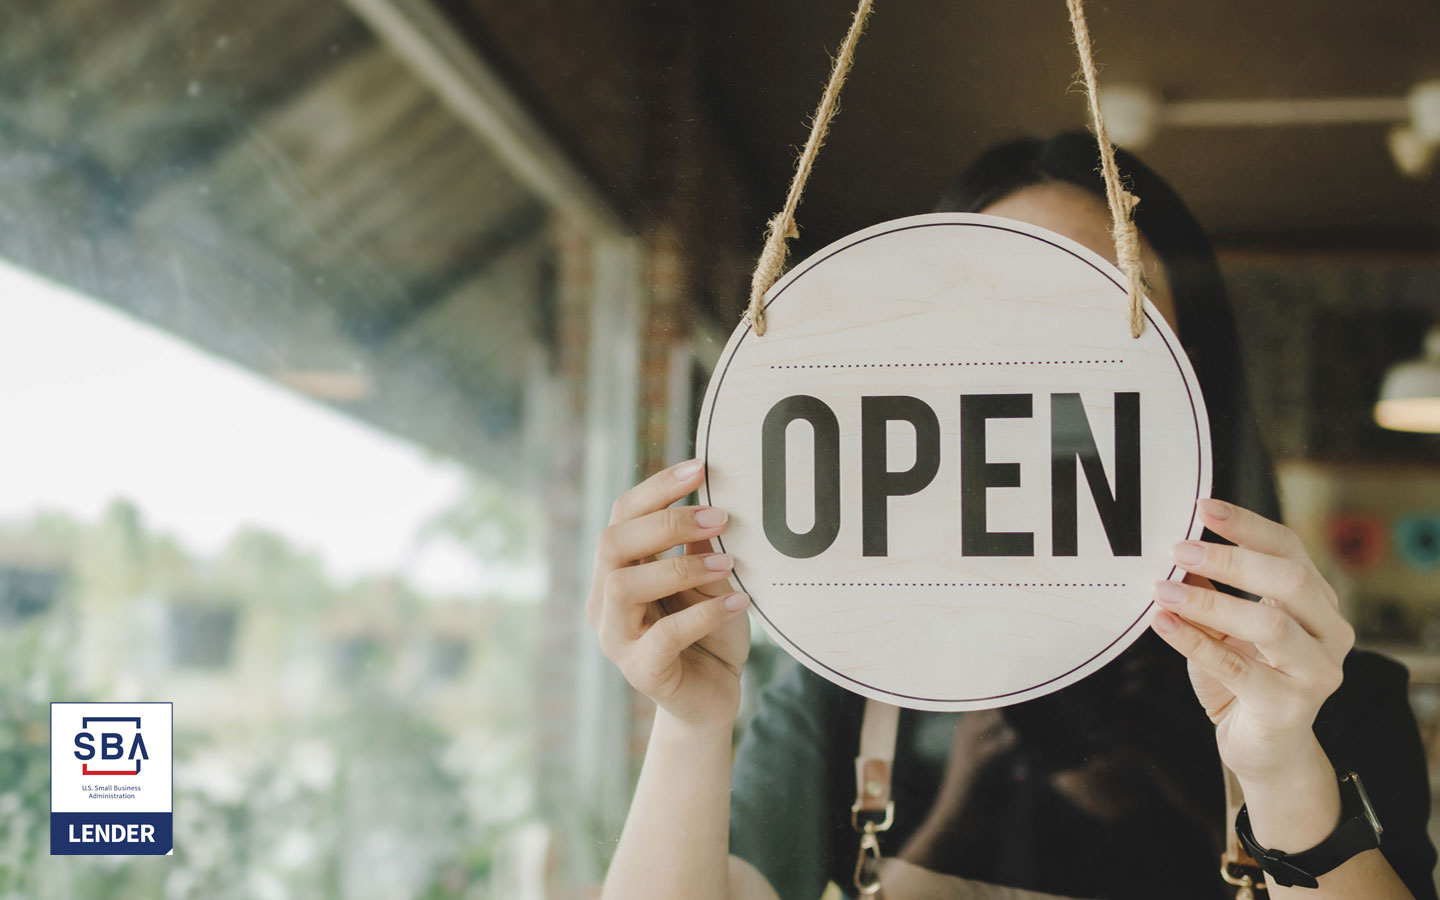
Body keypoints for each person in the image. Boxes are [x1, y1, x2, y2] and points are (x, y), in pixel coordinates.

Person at [586, 133, 1438, 900]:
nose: (1040, 371)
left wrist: (1284, 769)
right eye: (997, 308)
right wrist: (691, 725)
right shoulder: (846, 678)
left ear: (1192, 376)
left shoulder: (1323, 694)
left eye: (1096, 310)